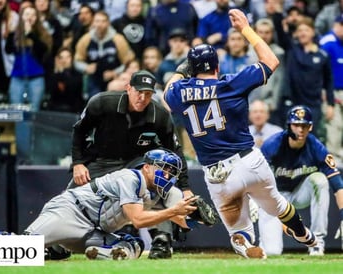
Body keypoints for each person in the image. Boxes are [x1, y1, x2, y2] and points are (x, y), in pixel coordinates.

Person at [163, 8, 317, 259]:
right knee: (277, 204)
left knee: (238, 229)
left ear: (191, 68)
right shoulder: (229, 83)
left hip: (217, 174)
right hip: (248, 162)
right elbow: (271, 61)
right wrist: (245, 28)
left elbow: (167, 94)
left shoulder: (180, 90)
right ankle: (302, 233)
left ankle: (244, 242)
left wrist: (182, 71)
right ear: (216, 65)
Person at [68, 69, 212, 259]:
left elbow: (175, 152)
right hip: (102, 160)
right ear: (128, 88)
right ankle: (61, 242)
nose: (143, 98)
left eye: (148, 94)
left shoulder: (159, 115)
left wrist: (185, 187)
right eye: (139, 92)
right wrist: (78, 163)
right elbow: (79, 131)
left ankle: (162, 239)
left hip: (138, 163)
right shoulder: (102, 102)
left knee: (157, 189)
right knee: (71, 197)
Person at [24, 149, 199, 260]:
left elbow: (181, 220)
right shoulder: (130, 178)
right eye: (163, 168)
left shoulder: (155, 193)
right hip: (71, 212)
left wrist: (197, 218)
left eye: (171, 172)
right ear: (146, 167)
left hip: (92, 232)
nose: (166, 175)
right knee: (21, 249)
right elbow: (138, 220)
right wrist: (173, 210)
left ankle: (109, 254)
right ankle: (54, 246)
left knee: (134, 245)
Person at [258, 105, 343, 255]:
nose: (301, 130)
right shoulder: (273, 144)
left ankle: (317, 242)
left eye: (305, 125)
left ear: (310, 127)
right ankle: (265, 243)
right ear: (289, 126)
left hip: (299, 192)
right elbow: (254, 176)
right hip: (275, 198)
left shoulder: (316, 146)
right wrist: (254, 201)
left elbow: (337, 184)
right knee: (272, 252)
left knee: (320, 180)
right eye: (296, 125)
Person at [5, 5, 52, 111]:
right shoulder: (15, 34)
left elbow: (43, 50)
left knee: (34, 110)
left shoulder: (42, 34)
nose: (30, 17)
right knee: (15, 110)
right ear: (21, 17)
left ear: (37, 18)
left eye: (33, 15)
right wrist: (12, 35)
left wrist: (30, 34)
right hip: (17, 76)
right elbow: (8, 50)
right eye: (27, 14)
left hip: (36, 77)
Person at [319, 14, 343, 167]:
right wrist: (326, 96)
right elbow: (320, 72)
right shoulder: (327, 43)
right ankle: (333, 166)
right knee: (334, 128)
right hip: (331, 93)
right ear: (338, 25)